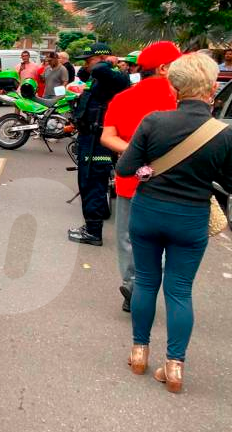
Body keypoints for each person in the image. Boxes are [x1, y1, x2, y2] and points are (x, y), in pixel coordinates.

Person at [116, 53, 232, 394]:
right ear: (212, 88)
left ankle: (139, 353)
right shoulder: (223, 134)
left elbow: (125, 169)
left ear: (174, 86)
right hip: (191, 218)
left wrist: (148, 169)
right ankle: (175, 367)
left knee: (147, 282)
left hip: (148, 212)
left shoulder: (154, 122)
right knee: (179, 291)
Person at [100, 41, 181, 313]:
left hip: (130, 181)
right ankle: (143, 285)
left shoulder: (123, 98)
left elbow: (107, 137)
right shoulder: (179, 101)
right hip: (172, 184)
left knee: (127, 237)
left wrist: (135, 153)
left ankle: (133, 283)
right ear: (164, 68)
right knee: (165, 240)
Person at [68, 43, 130, 246]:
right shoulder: (99, 76)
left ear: (102, 59)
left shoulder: (114, 76)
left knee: (93, 182)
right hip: (90, 138)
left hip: (99, 141)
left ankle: (93, 232)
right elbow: (86, 75)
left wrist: (107, 61)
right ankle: (92, 224)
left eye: (89, 60)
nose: (85, 64)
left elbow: (99, 69)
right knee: (88, 182)